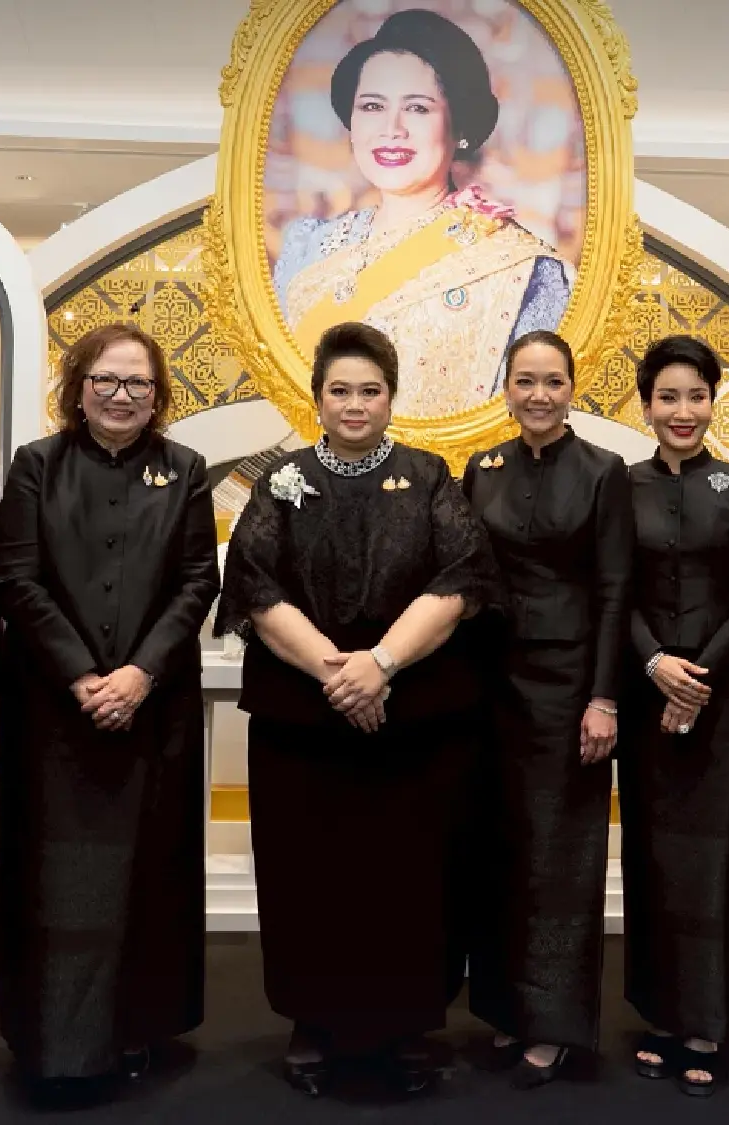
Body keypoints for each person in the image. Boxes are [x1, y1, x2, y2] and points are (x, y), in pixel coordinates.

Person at [216, 320, 500, 1098]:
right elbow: (254, 587)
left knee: (406, 880)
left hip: (413, 721)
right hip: (302, 723)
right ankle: (315, 1022)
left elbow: (462, 579)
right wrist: (336, 674)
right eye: (339, 390)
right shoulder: (281, 480)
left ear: (390, 397)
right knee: (311, 879)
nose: (354, 403)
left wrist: (379, 665)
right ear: (315, 398)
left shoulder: (430, 475)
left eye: (369, 390)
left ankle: (406, 1024)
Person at [0, 323, 219, 1092]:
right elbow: (17, 578)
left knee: (147, 878)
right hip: (56, 715)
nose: (122, 396)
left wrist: (139, 675)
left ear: (158, 398)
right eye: (107, 381)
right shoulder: (35, 468)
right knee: (54, 882)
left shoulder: (186, 470)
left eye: (139, 385)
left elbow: (198, 581)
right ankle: (54, 1043)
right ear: (78, 385)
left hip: (152, 714)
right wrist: (85, 676)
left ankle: (133, 1032)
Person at [458, 329, 631, 1089]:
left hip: (568, 690)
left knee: (561, 858)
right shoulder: (482, 466)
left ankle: (556, 1025)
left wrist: (603, 696)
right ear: (507, 386)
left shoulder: (604, 472)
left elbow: (616, 590)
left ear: (572, 386)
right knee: (500, 852)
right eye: (524, 380)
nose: (537, 394)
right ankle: (505, 1008)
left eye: (552, 381)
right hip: (491, 687)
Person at [273, 8, 571, 416]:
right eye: (373, 106)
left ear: (460, 126)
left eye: (417, 108)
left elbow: (530, 414)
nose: (391, 129)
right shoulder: (308, 246)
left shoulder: (519, 266)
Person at [618, 335, 729, 1098]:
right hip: (648, 697)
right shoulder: (623, 485)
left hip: (722, 698)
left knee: (717, 862)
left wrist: (697, 678)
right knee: (653, 857)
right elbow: (613, 591)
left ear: (715, 401)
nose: (683, 411)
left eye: (697, 396)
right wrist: (654, 666)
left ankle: (710, 1020)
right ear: (645, 404)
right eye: (668, 397)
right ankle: (664, 1015)